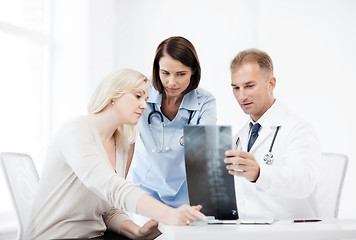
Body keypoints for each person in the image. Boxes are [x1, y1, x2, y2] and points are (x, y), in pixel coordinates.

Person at [25, 68, 206, 240]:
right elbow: (113, 188)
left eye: (146, 98)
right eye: (137, 96)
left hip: (95, 235)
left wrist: (137, 232)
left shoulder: (123, 143)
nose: (144, 105)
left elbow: (109, 209)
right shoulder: (76, 131)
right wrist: (170, 214)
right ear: (113, 95)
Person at [224, 49, 321, 220]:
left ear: (271, 84)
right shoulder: (238, 138)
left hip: (289, 231)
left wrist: (260, 173)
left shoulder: (298, 129)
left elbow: (305, 182)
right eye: (236, 88)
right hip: (247, 230)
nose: (241, 96)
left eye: (249, 86)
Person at [129, 36, 217, 208]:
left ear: (193, 71)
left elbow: (208, 150)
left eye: (181, 74)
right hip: (146, 189)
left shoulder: (205, 102)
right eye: (165, 73)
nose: (172, 82)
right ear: (157, 70)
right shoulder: (141, 91)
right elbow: (125, 141)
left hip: (188, 194)